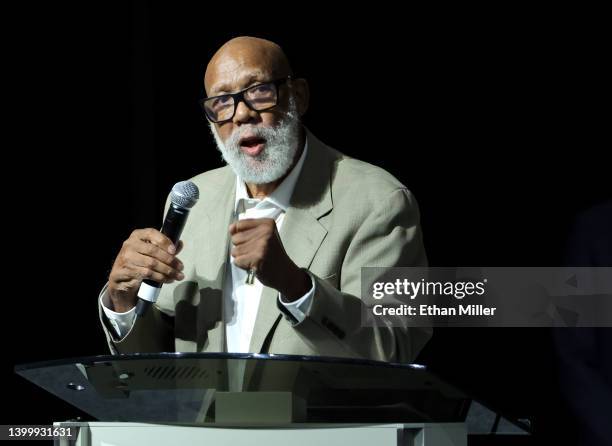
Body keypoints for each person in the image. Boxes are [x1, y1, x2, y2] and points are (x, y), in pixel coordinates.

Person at [98, 36, 430, 362]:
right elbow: (157, 360)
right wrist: (122, 301)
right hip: (207, 417)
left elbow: (394, 347)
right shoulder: (194, 200)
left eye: (259, 92)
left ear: (298, 96)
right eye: (222, 101)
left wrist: (297, 286)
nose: (241, 115)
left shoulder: (378, 201)